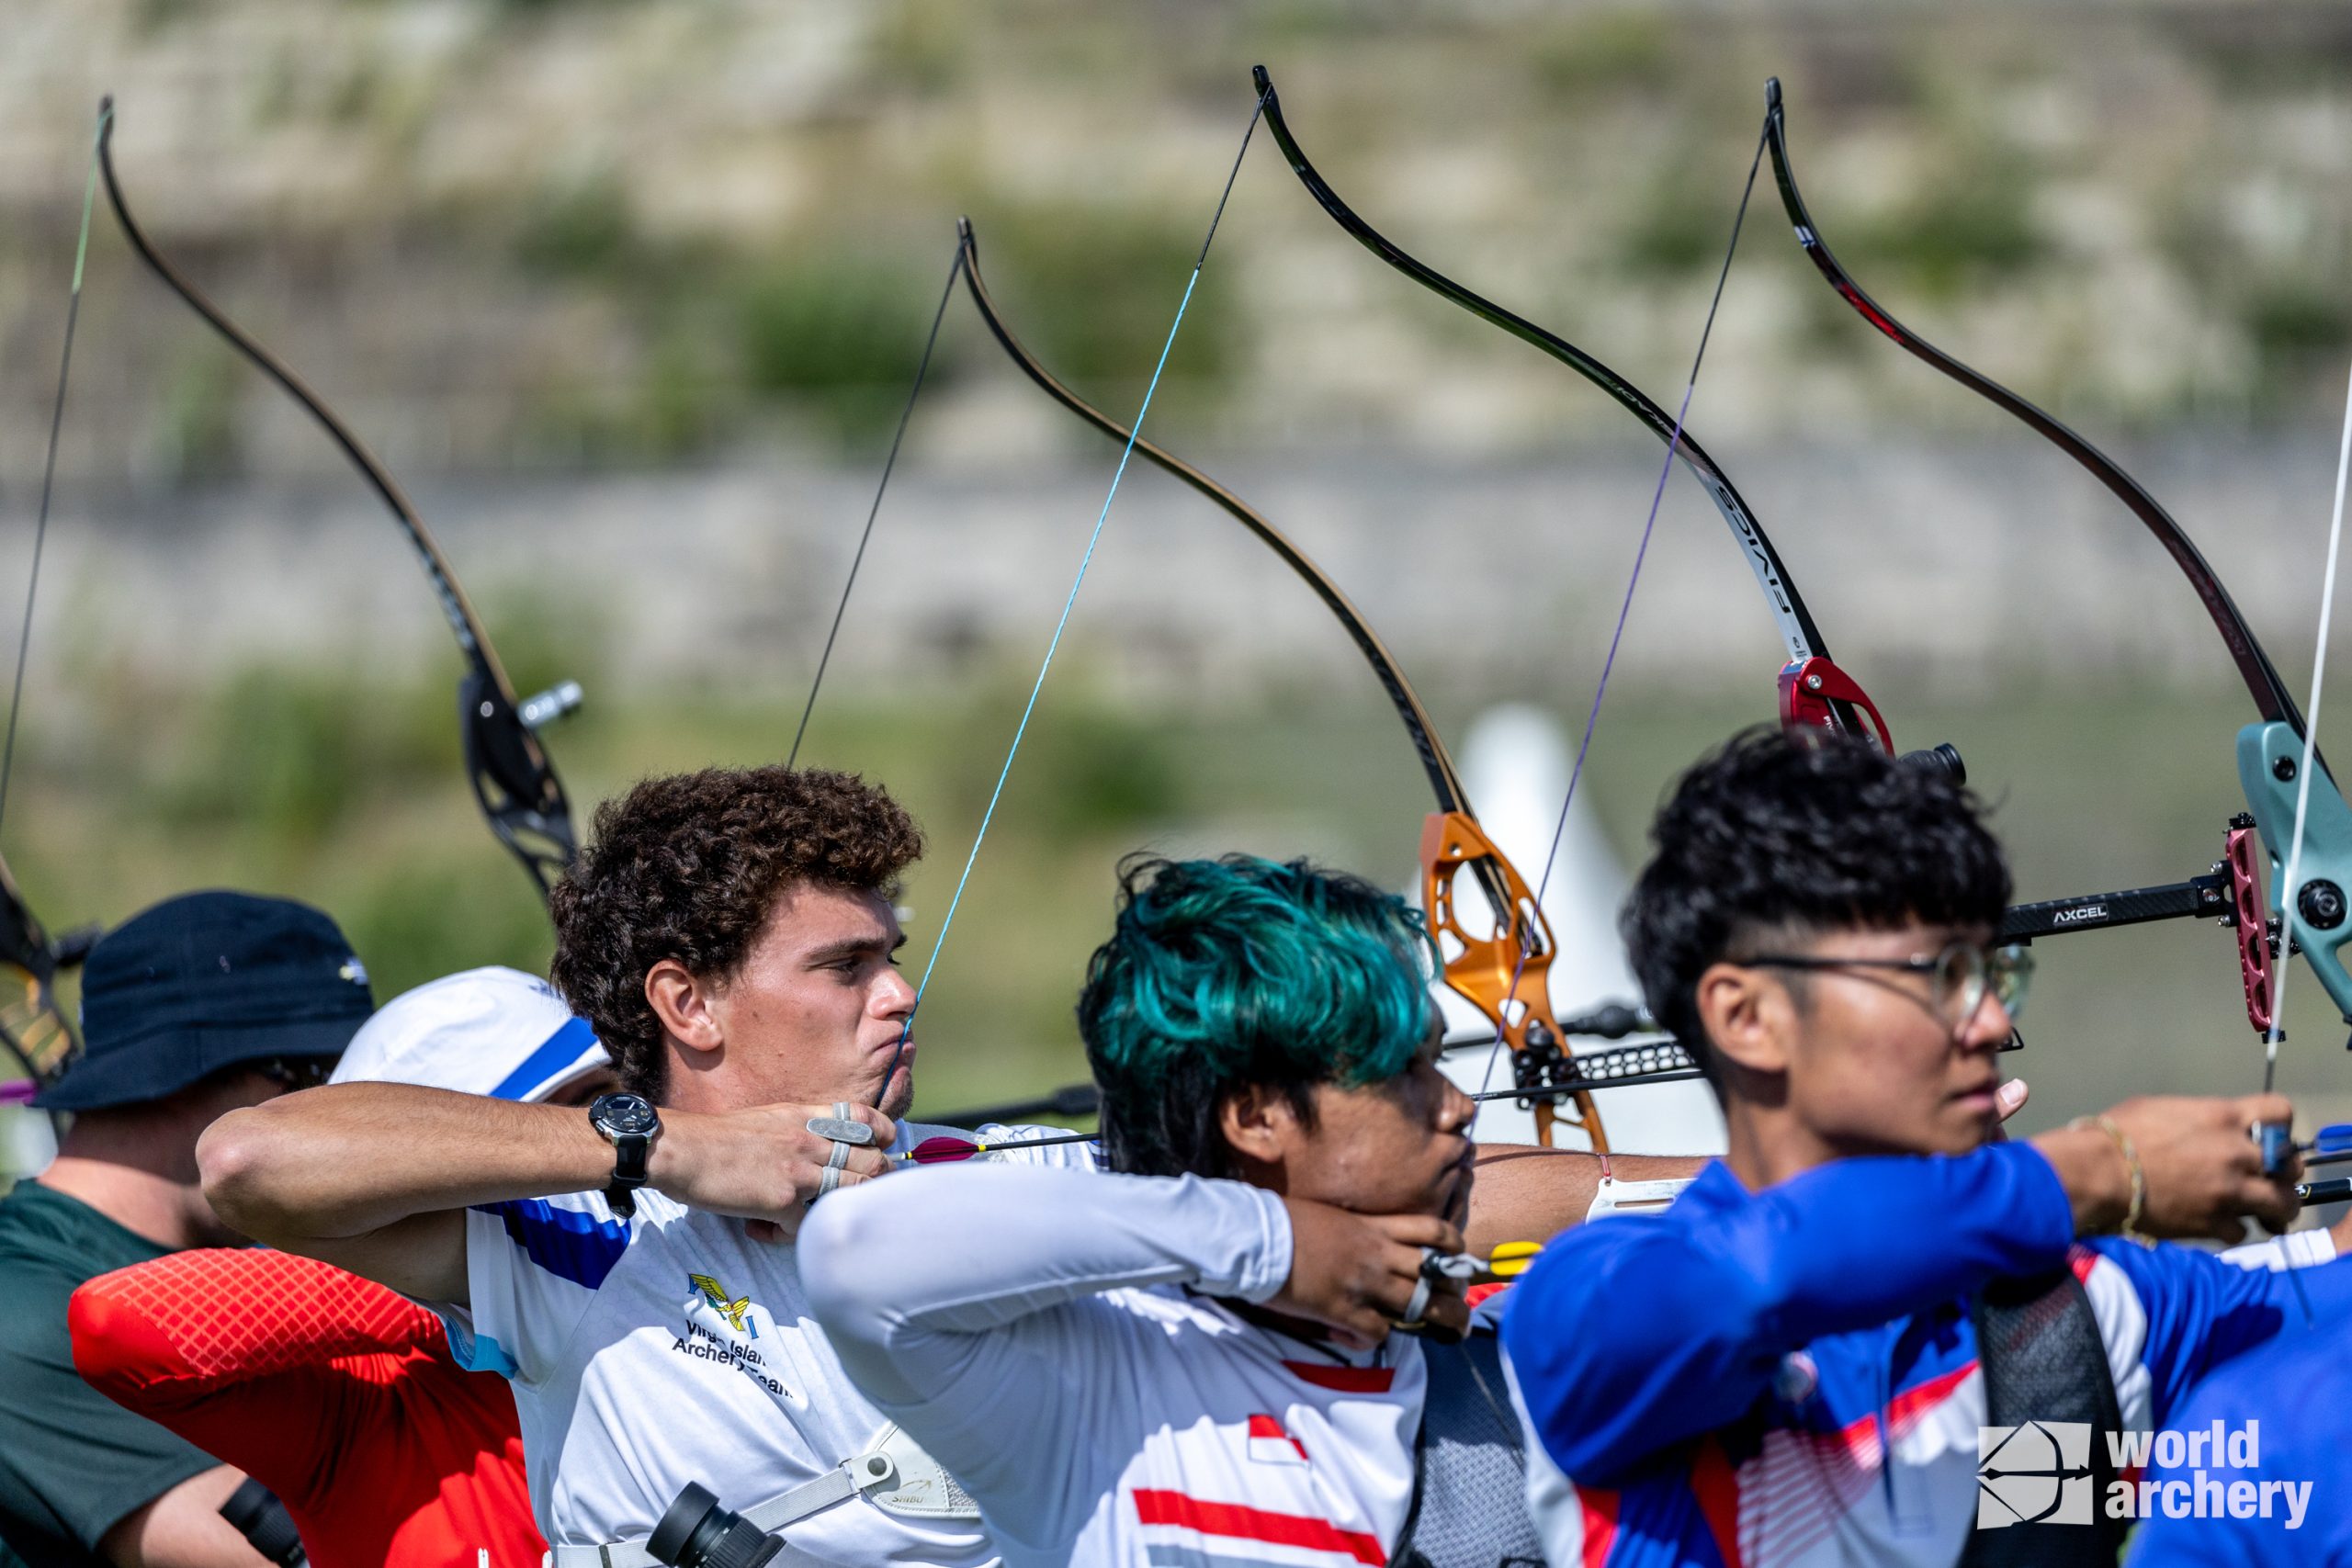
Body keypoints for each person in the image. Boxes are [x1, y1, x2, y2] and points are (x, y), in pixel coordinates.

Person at [1500, 729, 2350, 1567]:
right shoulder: (1585, 1306)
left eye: (1992, 976)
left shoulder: (2079, 1320)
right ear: (1747, 1017)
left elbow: (2319, 1310)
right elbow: (1761, 1275)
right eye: (1937, 977)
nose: (1989, 1022)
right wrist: (2098, 1167)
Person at [801, 853, 1495, 1568]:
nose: (1458, 1105)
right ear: (1255, 1116)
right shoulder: (1097, 1376)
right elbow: (849, 1248)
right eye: (1404, 1072)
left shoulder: (1522, 1339)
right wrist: (1278, 1243)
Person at [71, 967, 615, 1568]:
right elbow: (115, 1325)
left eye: (610, 1100)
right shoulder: (370, 1403)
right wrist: (474, 1290)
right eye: (556, 1123)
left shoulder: (673, 1298)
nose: (608, 1156)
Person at [0, 891, 372, 1568]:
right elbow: (313, 1552)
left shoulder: (240, 1267)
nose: (354, 1116)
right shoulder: (19, 1314)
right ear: (187, 1070)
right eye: (327, 1077)